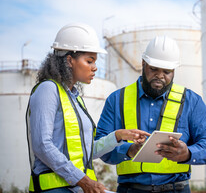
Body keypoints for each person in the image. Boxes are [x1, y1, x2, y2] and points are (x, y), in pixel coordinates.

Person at [25, 23, 150, 193]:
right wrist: (83, 181)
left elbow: (88, 151)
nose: (95, 67)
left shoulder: (75, 98)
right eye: (89, 61)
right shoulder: (48, 90)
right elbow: (42, 145)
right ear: (69, 60)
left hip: (76, 189)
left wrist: (118, 135)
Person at [95, 35, 206, 193]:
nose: (160, 76)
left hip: (177, 189)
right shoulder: (116, 100)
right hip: (131, 189)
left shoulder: (192, 102)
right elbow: (100, 146)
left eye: (167, 71)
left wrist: (187, 154)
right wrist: (128, 149)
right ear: (143, 63)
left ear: (174, 70)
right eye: (154, 69)